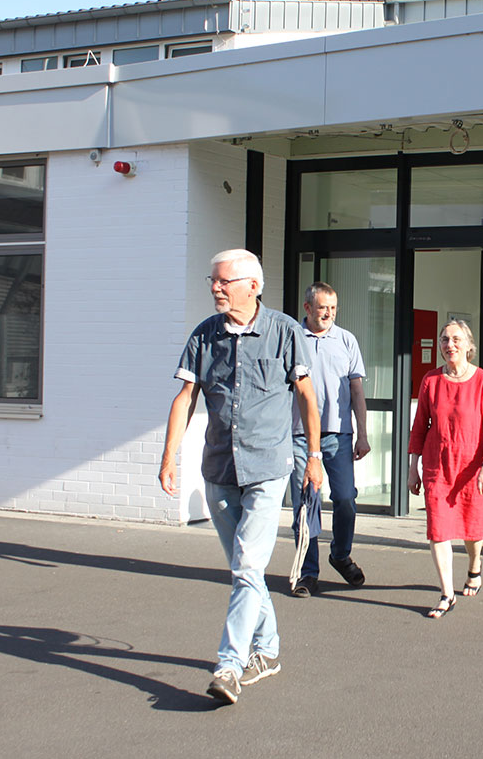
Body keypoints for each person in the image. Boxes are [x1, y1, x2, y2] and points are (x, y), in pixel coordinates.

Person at [159, 249, 323, 705]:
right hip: (219, 468)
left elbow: (307, 397)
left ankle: (229, 665)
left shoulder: (285, 332)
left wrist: (314, 456)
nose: (215, 287)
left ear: (253, 286)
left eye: (224, 281)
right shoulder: (204, 335)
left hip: (268, 467)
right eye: (212, 280)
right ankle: (267, 650)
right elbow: (185, 397)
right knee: (244, 570)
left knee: (248, 567)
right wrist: (169, 456)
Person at [407, 319, 483, 618]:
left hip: (471, 467)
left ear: (468, 345)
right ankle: (447, 593)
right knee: (438, 529)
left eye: (456, 339)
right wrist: (413, 467)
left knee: (472, 527)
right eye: (445, 340)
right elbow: (419, 427)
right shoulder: (431, 380)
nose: (450, 345)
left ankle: (474, 566)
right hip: (438, 466)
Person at [288, 281, 372, 598]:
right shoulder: (292, 337)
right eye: (323, 307)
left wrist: (362, 434)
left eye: (333, 308)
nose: (329, 314)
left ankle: (340, 554)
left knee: (346, 499)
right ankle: (308, 573)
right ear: (307, 307)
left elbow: (357, 391)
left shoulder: (346, 340)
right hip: (299, 435)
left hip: (338, 434)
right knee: (306, 505)